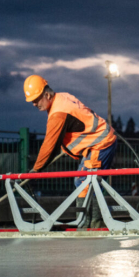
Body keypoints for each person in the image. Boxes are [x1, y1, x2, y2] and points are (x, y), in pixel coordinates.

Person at [24, 75, 117, 229]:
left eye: (36, 99)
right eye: (32, 101)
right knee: (81, 181)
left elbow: (49, 145)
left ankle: (93, 226)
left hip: (100, 144)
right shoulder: (62, 97)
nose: (34, 104)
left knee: (86, 183)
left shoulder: (58, 113)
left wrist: (35, 170)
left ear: (47, 95)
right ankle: (85, 224)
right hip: (97, 143)